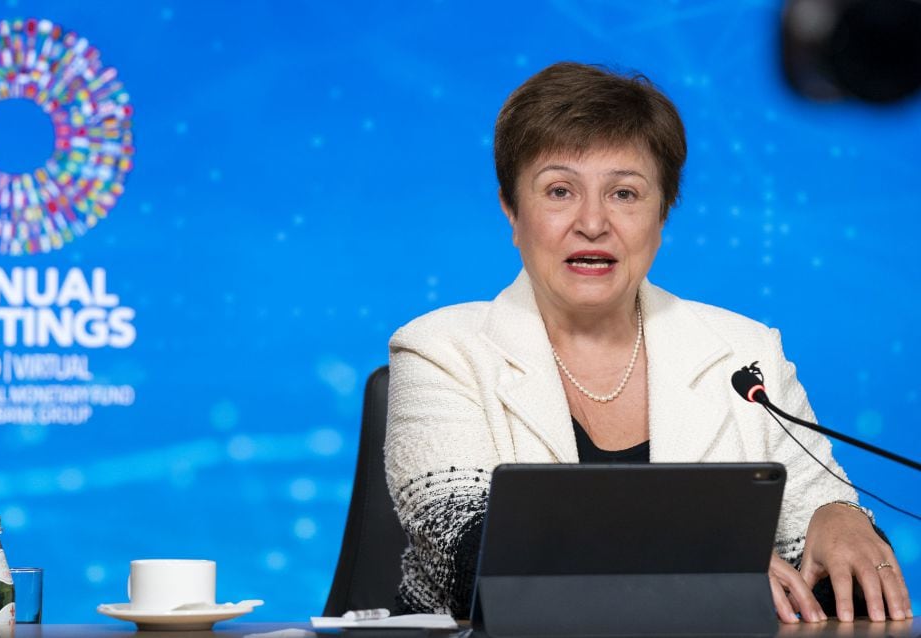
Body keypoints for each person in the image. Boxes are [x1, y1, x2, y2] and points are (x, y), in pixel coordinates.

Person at [383, 62, 911, 624]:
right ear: (512, 212)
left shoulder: (743, 354)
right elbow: (480, 569)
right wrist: (710, 563)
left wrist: (839, 516)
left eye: (625, 194)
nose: (593, 222)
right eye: (559, 190)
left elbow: (821, 591)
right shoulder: (440, 349)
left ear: (662, 214)